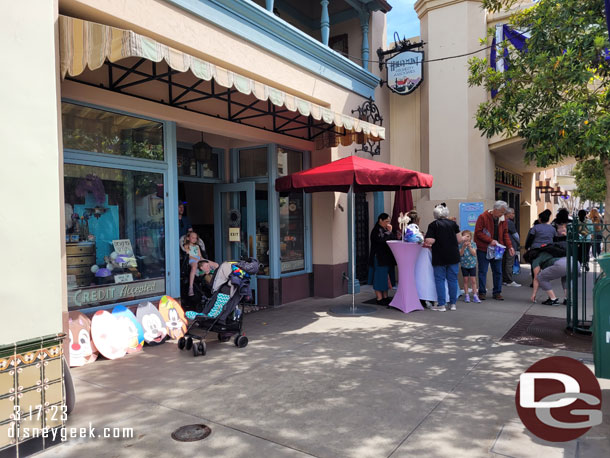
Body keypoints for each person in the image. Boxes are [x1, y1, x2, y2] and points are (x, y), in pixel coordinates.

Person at [424, 204, 462, 311]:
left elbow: (430, 240)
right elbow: (459, 240)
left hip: (439, 256)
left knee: (440, 280)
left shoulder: (433, 225)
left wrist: (427, 239)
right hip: (453, 256)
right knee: (453, 280)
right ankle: (453, 304)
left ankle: (442, 304)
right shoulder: (453, 224)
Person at [474, 200, 514, 301]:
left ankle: (497, 292)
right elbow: (478, 233)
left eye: (504, 212)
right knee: (483, 271)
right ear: (495, 210)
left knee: (498, 271)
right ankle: (482, 292)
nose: (503, 214)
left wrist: (510, 246)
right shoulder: (483, 217)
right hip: (484, 248)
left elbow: (505, 233)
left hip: (498, 248)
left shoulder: (502, 218)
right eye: (501, 212)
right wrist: (490, 240)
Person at [531, 224, 569, 305]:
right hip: (573, 262)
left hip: (561, 264)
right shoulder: (548, 251)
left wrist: (534, 294)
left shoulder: (535, 260)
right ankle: (568, 299)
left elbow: (536, 278)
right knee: (566, 278)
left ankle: (553, 299)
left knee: (541, 277)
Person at [368, 213, 397, 305]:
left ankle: (385, 297)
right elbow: (381, 240)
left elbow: (392, 238)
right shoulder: (376, 230)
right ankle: (379, 298)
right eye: (386, 221)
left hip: (387, 257)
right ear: (380, 220)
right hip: (379, 257)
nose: (388, 223)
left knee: (386, 278)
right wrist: (389, 232)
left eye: (389, 221)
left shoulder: (386, 229)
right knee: (379, 278)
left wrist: (391, 233)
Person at [459, 230, 480, 303]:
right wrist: (464, 247)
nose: (466, 238)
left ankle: (475, 295)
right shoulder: (461, 245)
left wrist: (470, 247)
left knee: (473, 280)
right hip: (464, 265)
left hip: (472, 265)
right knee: (465, 280)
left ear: (470, 237)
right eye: (465, 236)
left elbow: (474, 254)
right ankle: (467, 295)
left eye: (468, 236)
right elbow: (460, 254)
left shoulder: (473, 244)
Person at [502, 207, 521, 287]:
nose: (513, 215)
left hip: (503, 245)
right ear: (508, 214)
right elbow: (515, 235)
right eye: (512, 213)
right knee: (509, 263)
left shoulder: (501, 222)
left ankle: (504, 279)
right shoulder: (509, 222)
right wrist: (519, 242)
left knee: (504, 262)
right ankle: (509, 280)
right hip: (510, 245)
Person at [183, 231, 205, 296]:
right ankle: (191, 287)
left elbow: (200, 256)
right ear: (188, 238)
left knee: (215, 264)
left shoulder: (197, 246)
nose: (194, 239)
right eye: (192, 238)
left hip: (198, 259)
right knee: (194, 266)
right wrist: (197, 259)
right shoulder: (186, 246)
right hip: (191, 259)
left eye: (196, 238)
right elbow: (188, 255)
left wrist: (204, 260)